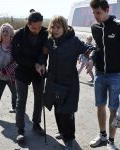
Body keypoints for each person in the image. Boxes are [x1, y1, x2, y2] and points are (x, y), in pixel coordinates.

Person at [36, 16, 95, 150]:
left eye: (58, 27)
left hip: (69, 83)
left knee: (67, 112)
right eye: (53, 27)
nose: (55, 30)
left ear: (64, 27)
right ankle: (62, 131)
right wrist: (41, 64)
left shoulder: (73, 41)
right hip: (53, 81)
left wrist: (91, 59)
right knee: (57, 109)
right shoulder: (50, 42)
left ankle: (69, 139)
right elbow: (43, 55)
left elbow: (89, 50)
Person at [87, 0, 120, 150]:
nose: (96, 16)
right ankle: (102, 135)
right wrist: (90, 58)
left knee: (113, 108)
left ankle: (111, 141)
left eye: (99, 13)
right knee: (100, 105)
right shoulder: (94, 27)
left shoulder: (119, 26)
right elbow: (98, 48)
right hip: (100, 74)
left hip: (116, 75)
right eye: (94, 13)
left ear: (107, 10)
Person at [12, 12, 48, 141]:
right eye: (34, 28)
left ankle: (36, 124)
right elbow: (16, 56)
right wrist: (34, 64)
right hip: (22, 70)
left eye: (39, 27)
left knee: (39, 98)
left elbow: (44, 51)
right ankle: (20, 130)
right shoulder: (19, 34)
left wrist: (41, 63)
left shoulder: (45, 33)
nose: (37, 30)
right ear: (28, 24)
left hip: (39, 71)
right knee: (21, 100)